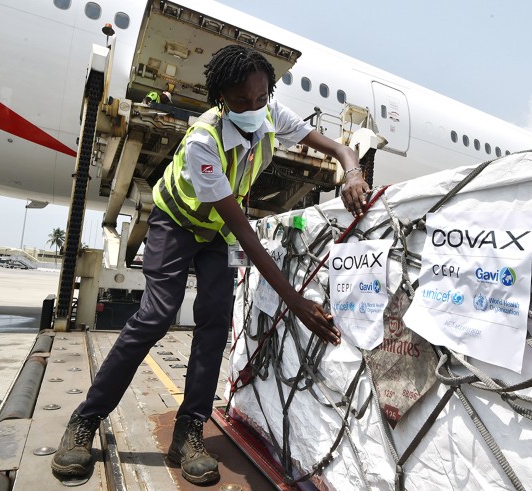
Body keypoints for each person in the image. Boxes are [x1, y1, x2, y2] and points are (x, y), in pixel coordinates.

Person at [50, 45, 370, 485]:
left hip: (216, 229)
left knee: (216, 320)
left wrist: (351, 170)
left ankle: (189, 431)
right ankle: (85, 420)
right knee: (157, 314)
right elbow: (244, 231)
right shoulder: (205, 140)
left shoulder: (269, 111)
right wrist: (294, 301)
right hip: (178, 221)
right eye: (240, 102)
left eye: (260, 99)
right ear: (221, 100)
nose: (253, 108)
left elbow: (334, 146)